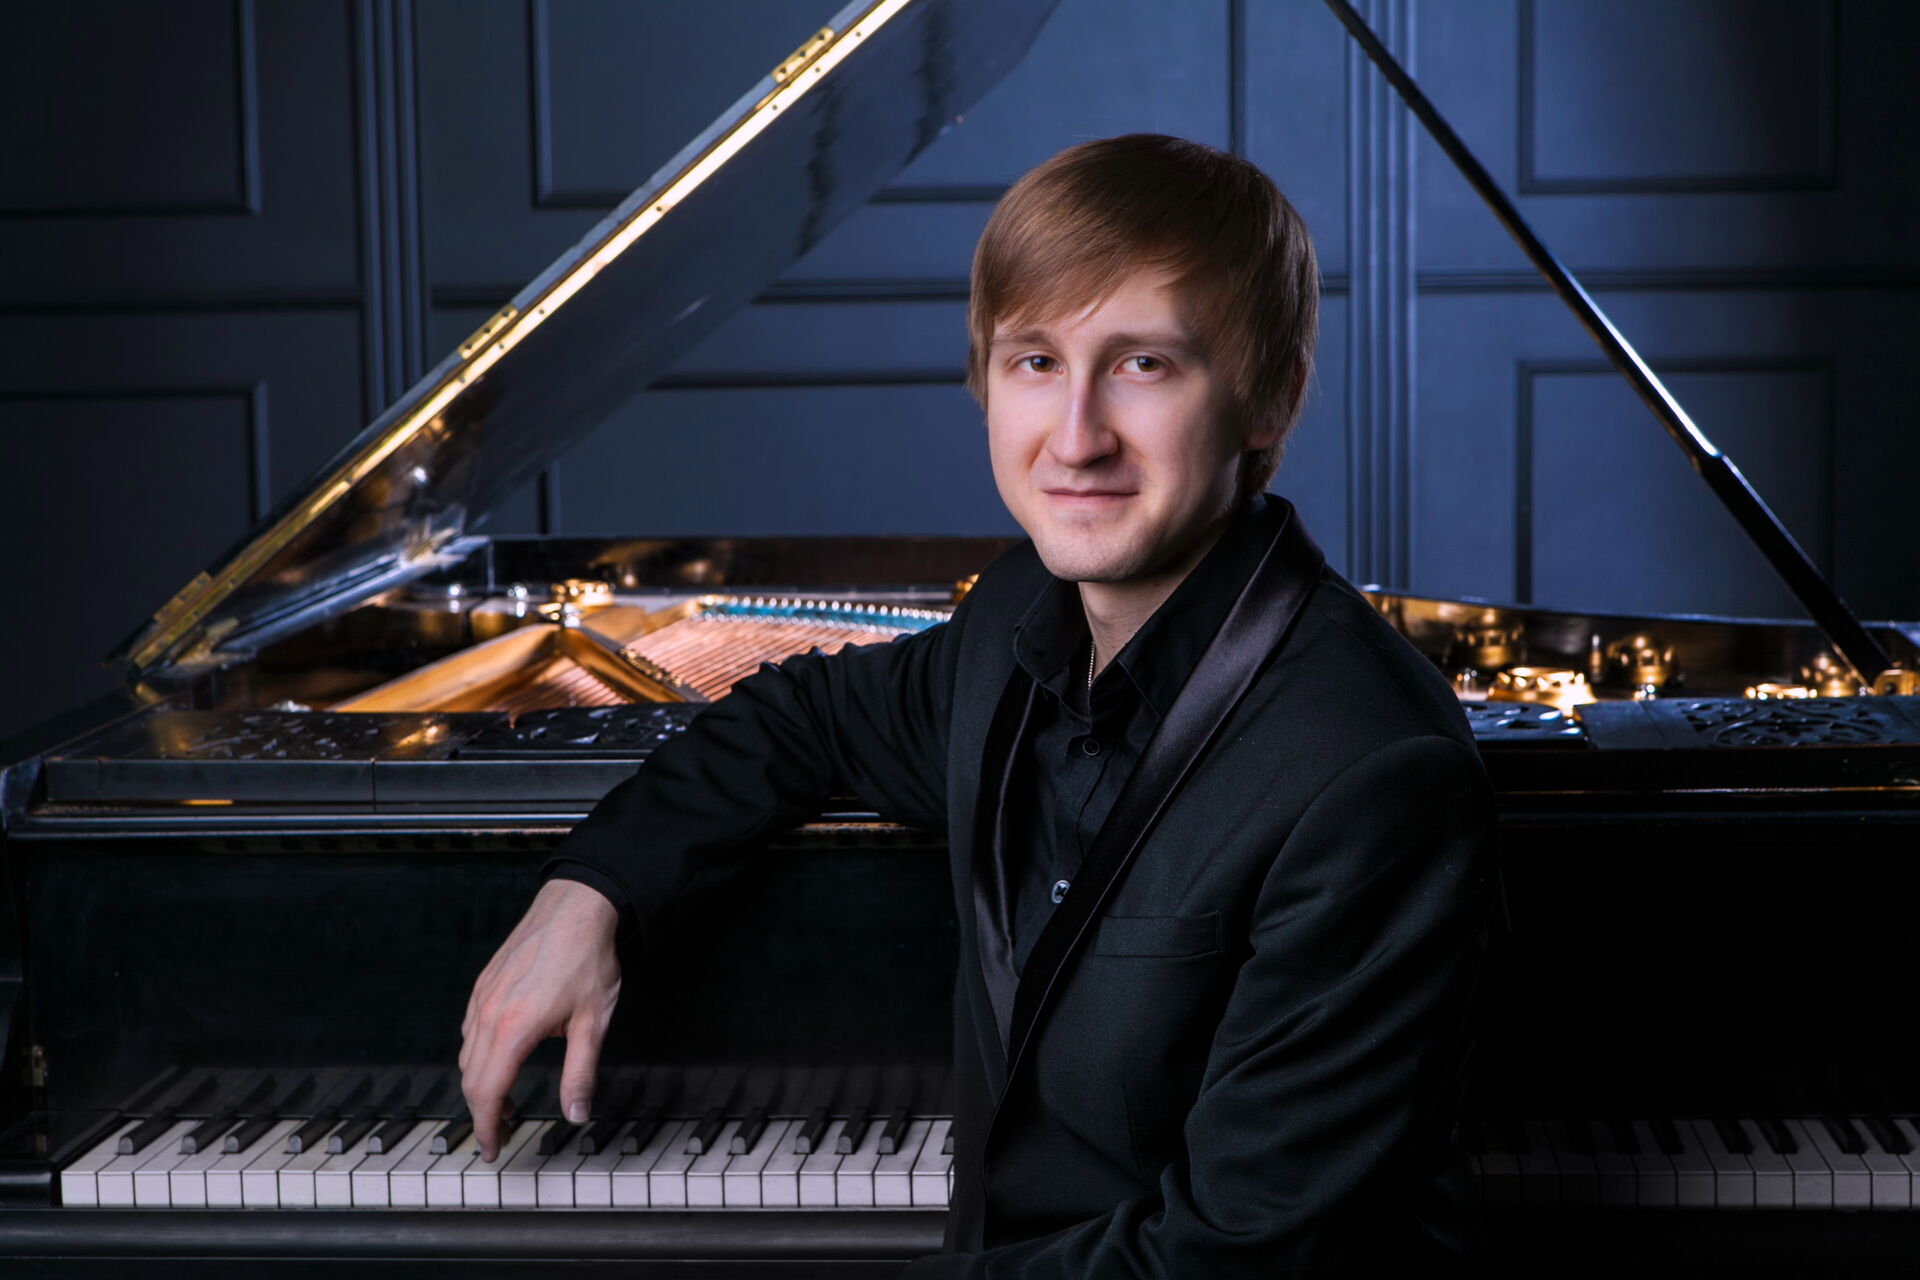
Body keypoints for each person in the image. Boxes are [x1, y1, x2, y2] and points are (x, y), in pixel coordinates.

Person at [459, 133, 1497, 1276]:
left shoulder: (1370, 770)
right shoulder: (1014, 620)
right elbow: (807, 713)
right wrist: (589, 888)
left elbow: (1235, 1258)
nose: (1076, 437)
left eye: (1144, 363)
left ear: (1269, 397)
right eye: (1036, 360)